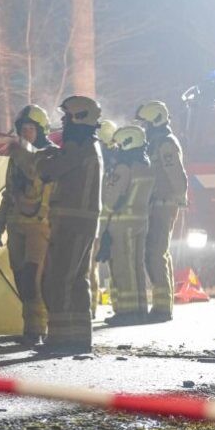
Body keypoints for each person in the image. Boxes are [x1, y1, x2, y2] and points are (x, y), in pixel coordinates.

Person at [36, 95, 103, 355]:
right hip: (81, 222)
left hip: (72, 223)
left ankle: (60, 338)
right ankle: (78, 337)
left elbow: (48, 172)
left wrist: (40, 156)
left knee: (57, 279)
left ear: (79, 117)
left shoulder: (80, 147)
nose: (63, 122)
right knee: (76, 280)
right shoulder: (87, 145)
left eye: (66, 117)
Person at [0, 104, 57, 347]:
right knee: (20, 276)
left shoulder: (50, 156)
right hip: (16, 225)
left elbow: (51, 194)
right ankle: (31, 328)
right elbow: (9, 193)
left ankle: (40, 329)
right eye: (23, 129)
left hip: (39, 227)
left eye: (30, 129)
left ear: (40, 130)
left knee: (34, 278)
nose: (26, 133)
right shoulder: (16, 159)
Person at [96, 125, 155, 326]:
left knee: (122, 268)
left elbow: (111, 199)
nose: (117, 150)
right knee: (136, 267)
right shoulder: (145, 165)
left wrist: (101, 228)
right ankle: (139, 309)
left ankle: (127, 312)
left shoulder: (124, 168)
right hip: (140, 222)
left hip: (122, 225)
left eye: (119, 145)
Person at [135, 100, 188, 322]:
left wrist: (179, 199)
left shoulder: (166, 144)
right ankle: (159, 305)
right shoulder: (154, 143)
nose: (144, 127)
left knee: (157, 252)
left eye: (146, 123)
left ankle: (163, 308)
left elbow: (176, 174)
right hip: (154, 203)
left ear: (155, 120)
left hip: (164, 203)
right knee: (152, 253)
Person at [90, 119, 118, 318]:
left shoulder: (94, 156)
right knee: (112, 263)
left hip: (96, 215)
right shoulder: (117, 158)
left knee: (90, 264)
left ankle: (90, 308)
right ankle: (116, 305)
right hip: (112, 216)